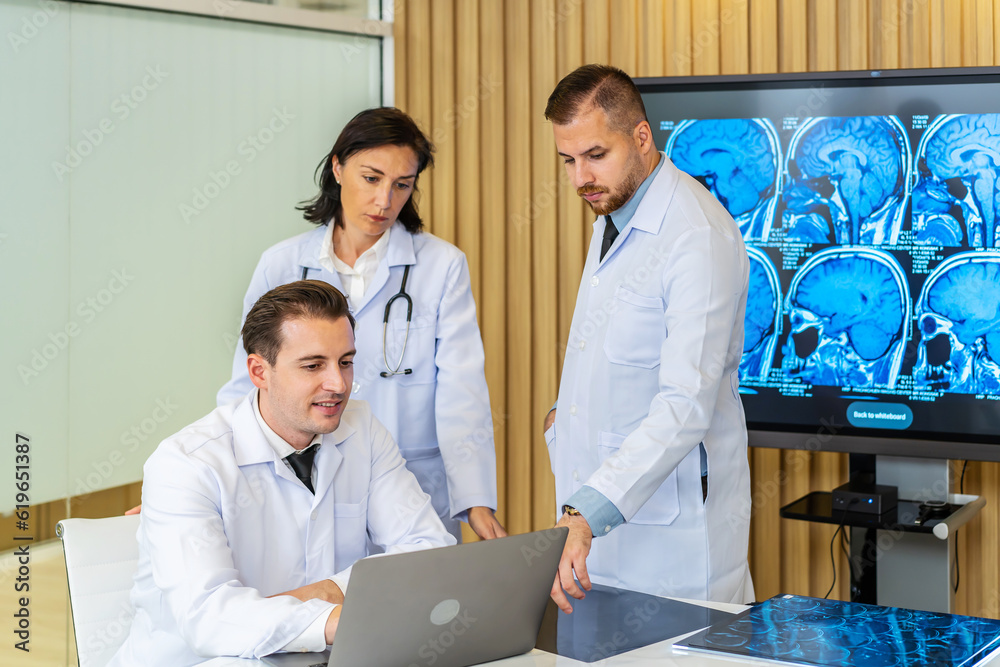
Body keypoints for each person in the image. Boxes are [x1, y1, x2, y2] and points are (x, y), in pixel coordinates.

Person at [110, 281, 454, 666]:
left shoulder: (363, 429)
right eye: (313, 366)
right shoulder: (186, 464)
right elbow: (208, 618)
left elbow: (429, 551)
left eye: (345, 361)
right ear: (259, 372)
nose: (338, 385)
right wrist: (336, 617)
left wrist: (327, 591)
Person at [216, 107, 504, 542]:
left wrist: (475, 500)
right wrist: (204, 480)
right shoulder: (282, 264)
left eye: (402, 185)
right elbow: (246, 384)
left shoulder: (441, 266)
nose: (384, 201)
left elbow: (461, 393)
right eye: (371, 178)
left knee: (412, 598)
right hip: (305, 478)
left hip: (412, 483)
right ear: (337, 167)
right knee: (324, 601)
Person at [542, 65, 754, 612]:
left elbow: (686, 405)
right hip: (604, 528)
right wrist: (570, 415)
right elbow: (618, 352)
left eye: (595, 155)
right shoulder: (614, 212)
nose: (580, 177)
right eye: (568, 160)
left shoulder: (696, 235)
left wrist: (588, 510)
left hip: (672, 548)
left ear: (641, 137)